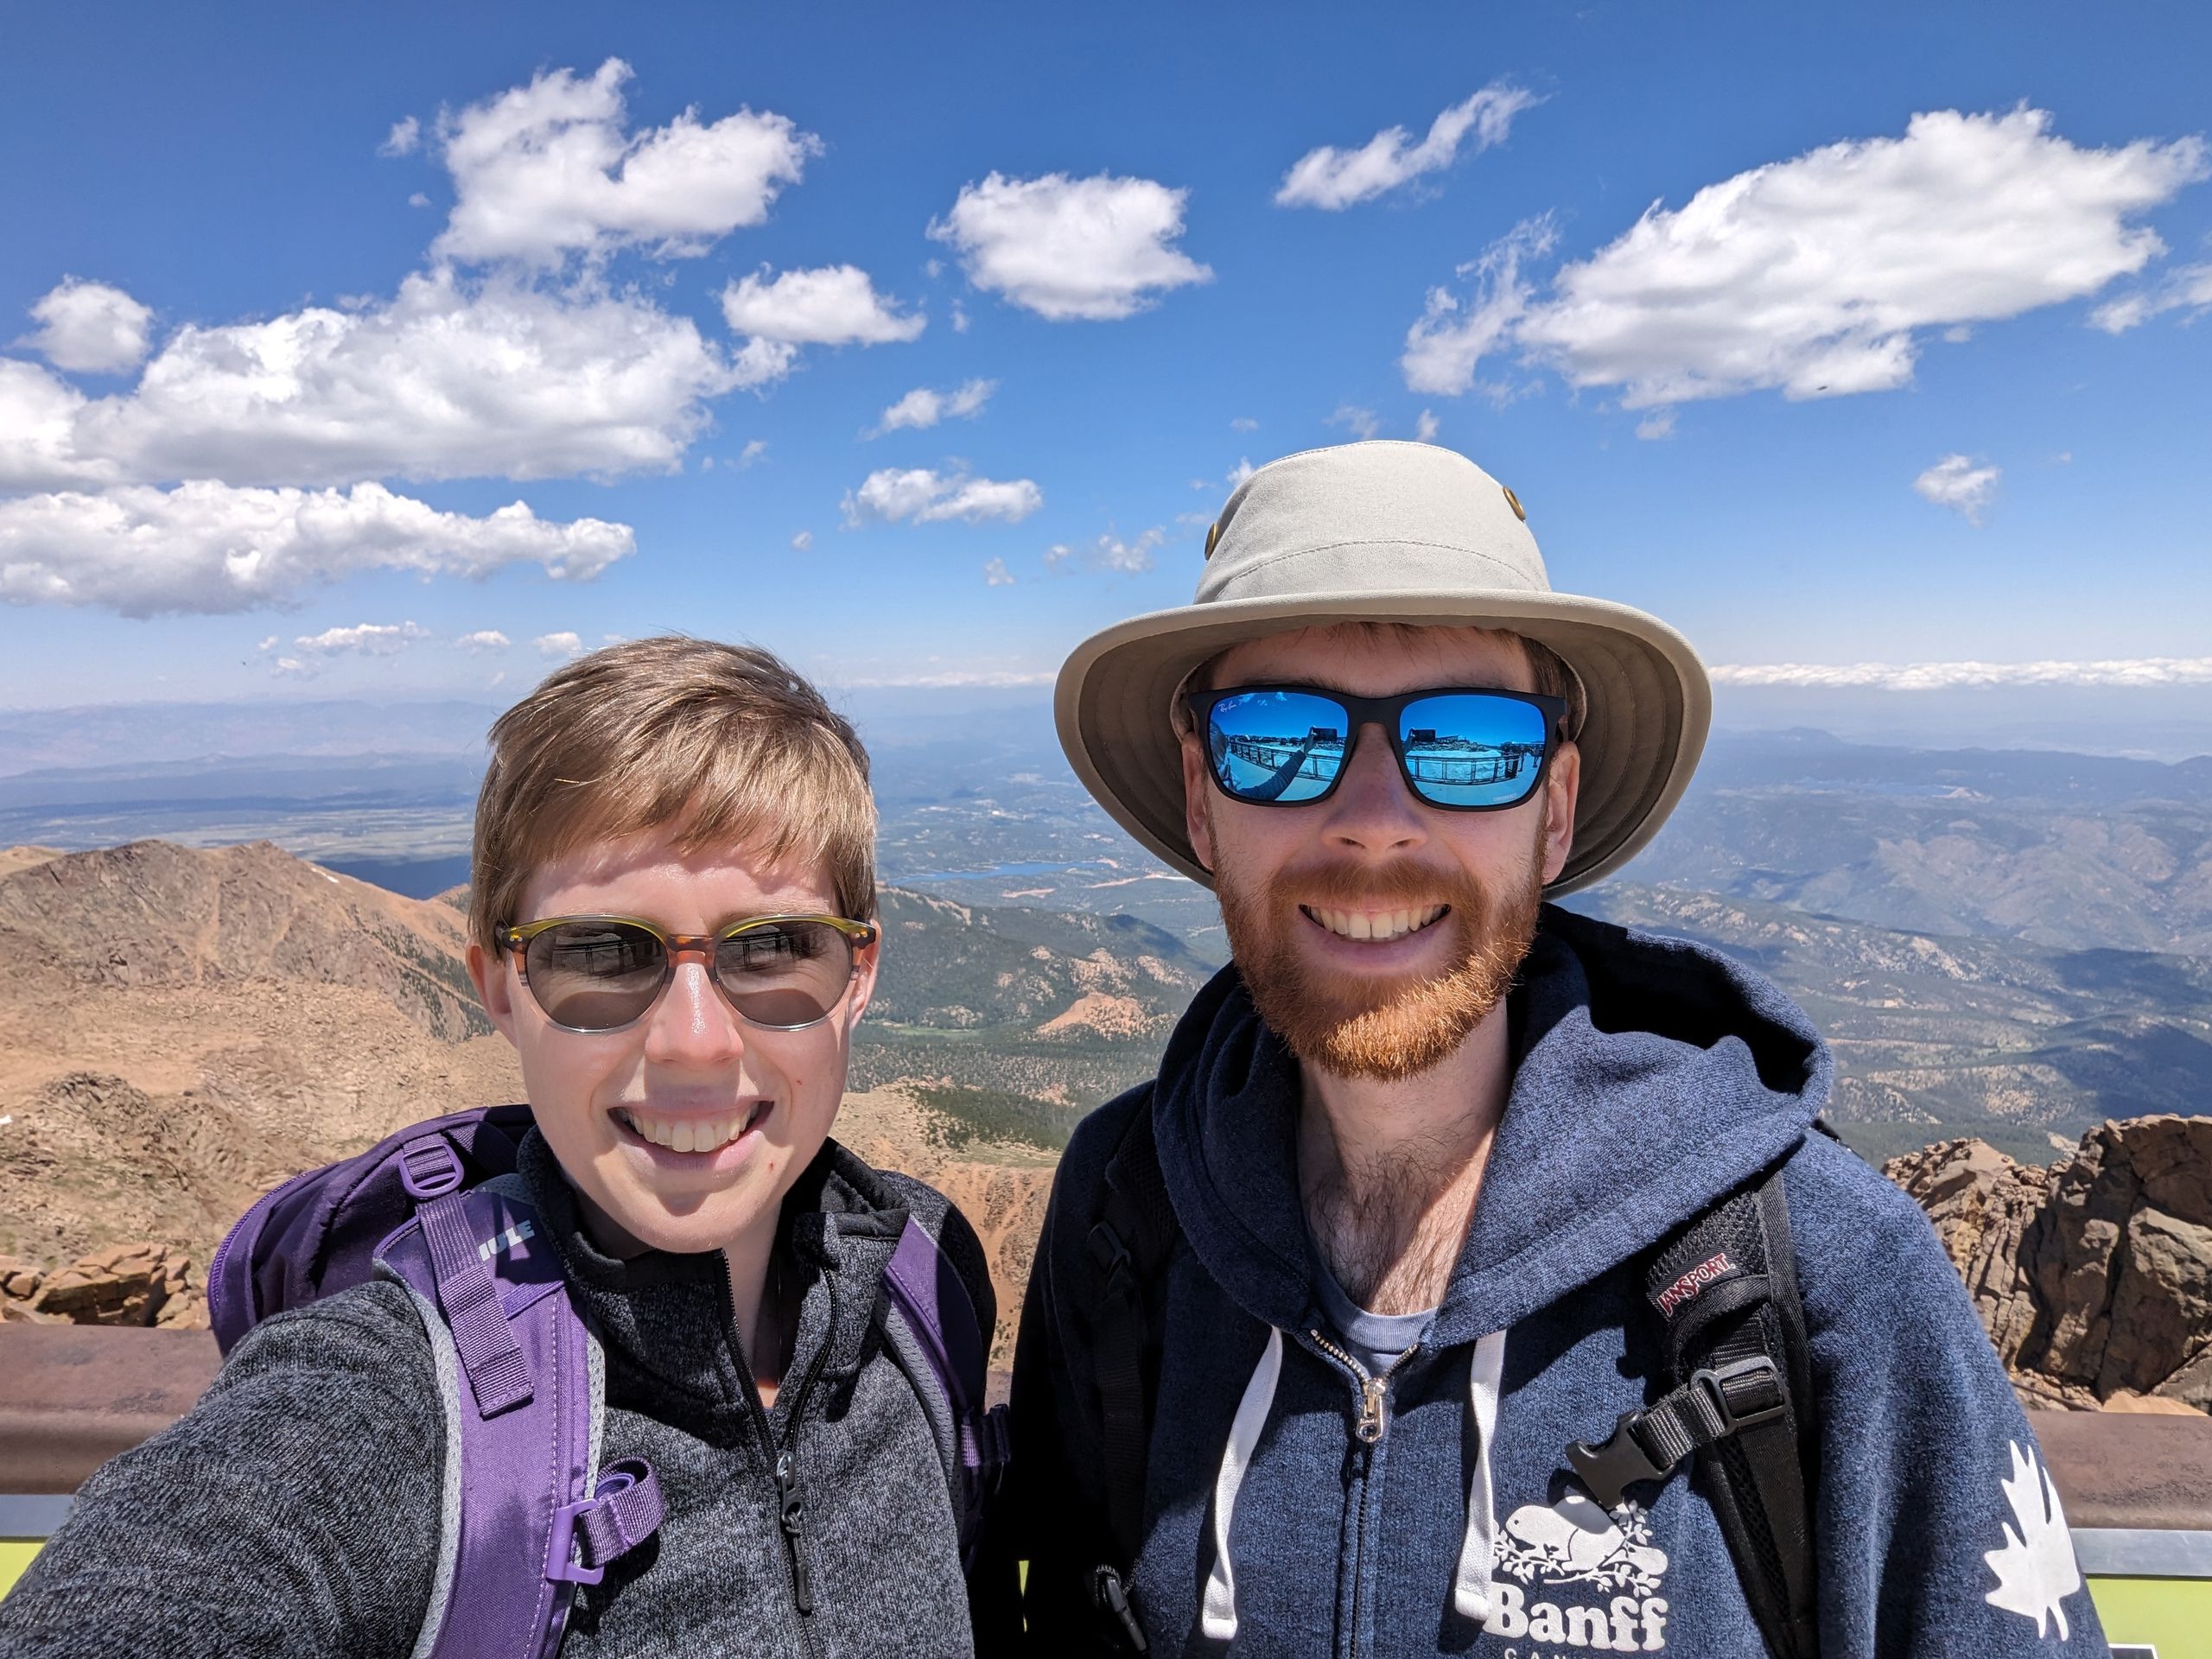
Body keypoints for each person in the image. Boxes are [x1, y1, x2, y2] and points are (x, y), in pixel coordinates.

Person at [1009, 442, 2107, 1656]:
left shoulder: (1820, 1276)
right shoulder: (1126, 1215)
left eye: (1468, 740)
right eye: (1282, 736)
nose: (1375, 823)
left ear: (1558, 808)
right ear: (1204, 799)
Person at [0, 637, 1012, 1658]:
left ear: (859, 974)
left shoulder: (919, 1288)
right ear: (500, 991)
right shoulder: (393, 1399)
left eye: (774, 947)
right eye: (601, 953)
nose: (696, 1044)